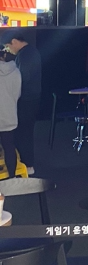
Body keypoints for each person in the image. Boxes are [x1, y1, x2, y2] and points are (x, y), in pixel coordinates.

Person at [5, 34, 41, 175]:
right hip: (32, 98)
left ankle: (27, 164)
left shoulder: (25, 55)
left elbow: (22, 77)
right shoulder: (31, 52)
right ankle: (27, 163)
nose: (8, 50)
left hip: (26, 100)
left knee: (23, 133)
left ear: (14, 41)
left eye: (8, 46)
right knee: (26, 132)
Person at [0, 51, 22, 179]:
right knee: (9, 147)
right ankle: (12, 177)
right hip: (8, 114)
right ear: (3, 55)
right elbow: (17, 94)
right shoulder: (15, 71)